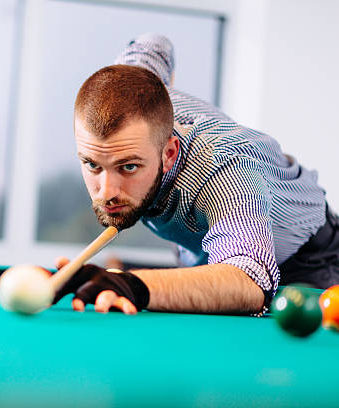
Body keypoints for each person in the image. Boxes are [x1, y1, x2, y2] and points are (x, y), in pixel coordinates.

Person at [53, 33, 339, 316]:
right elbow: (154, 43)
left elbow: (251, 282)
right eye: (93, 165)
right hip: (207, 247)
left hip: (305, 260)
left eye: (128, 167)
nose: (106, 192)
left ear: (169, 153)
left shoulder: (224, 169)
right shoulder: (136, 87)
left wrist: (130, 284)